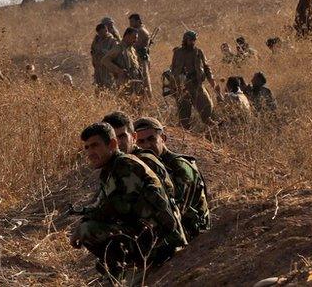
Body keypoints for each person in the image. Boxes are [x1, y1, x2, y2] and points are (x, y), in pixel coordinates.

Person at [69, 122, 186, 278]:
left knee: (87, 230)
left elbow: (117, 209)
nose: (90, 153)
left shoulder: (125, 166)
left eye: (95, 145)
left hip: (161, 241)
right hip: (147, 234)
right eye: (87, 148)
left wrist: (83, 224)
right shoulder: (111, 169)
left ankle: (127, 269)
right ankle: (121, 268)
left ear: (112, 144)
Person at [134, 117, 211, 240]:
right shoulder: (145, 167)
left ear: (163, 138)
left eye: (151, 139)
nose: (147, 145)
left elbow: (178, 210)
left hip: (193, 233)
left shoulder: (179, 166)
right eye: (141, 142)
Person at [102, 111, 175, 199]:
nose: (118, 143)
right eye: (113, 138)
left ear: (133, 137)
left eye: (122, 136)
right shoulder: (112, 164)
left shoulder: (144, 161)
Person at [169, 31, 216, 128]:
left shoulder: (198, 52)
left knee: (206, 108)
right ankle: (184, 133)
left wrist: (211, 79)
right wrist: (173, 85)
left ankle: (214, 128)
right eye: (191, 40)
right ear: (185, 40)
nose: (193, 42)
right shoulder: (178, 53)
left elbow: (206, 67)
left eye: (194, 40)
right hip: (182, 87)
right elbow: (173, 69)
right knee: (184, 115)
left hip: (196, 84)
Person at [101, 28, 144, 96]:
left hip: (134, 84)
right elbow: (105, 60)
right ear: (127, 36)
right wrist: (118, 70)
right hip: (124, 84)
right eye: (134, 38)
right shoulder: (118, 48)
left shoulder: (131, 49)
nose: (135, 40)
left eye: (136, 38)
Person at [129, 13, 153, 96]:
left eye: (132, 21)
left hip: (141, 59)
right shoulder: (141, 30)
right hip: (139, 58)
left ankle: (146, 100)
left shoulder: (140, 31)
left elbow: (135, 45)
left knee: (143, 80)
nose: (130, 24)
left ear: (138, 21)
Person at [90, 24, 117, 91]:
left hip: (107, 69)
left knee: (108, 87)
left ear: (106, 30)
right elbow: (92, 50)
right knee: (98, 87)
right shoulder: (97, 40)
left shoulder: (112, 41)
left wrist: (103, 51)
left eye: (102, 33)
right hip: (98, 68)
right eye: (99, 33)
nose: (101, 35)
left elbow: (115, 54)